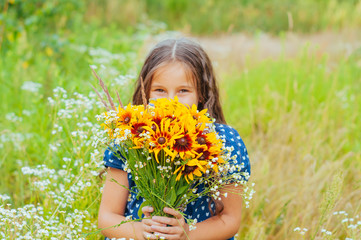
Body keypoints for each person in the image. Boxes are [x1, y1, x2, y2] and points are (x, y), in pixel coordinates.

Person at [98, 38, 251, 240]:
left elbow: (230, 220)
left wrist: (186, 233)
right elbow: (107, 218)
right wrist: (142, 231)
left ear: (201, 95)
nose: (171, 102)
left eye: (183, 91)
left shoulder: (225, 141)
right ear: (146, 93)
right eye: (160, 90)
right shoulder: (129, 138)